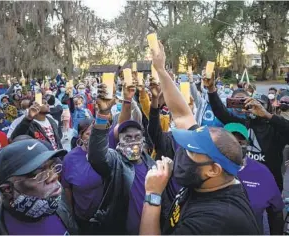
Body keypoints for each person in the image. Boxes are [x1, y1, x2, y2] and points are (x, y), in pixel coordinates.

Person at [139, 41, 260, 235]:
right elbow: (182, 115)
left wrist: (153, 195)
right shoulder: (217, 177)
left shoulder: (213, 220)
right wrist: (161, 70)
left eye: (191, 151)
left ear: (213, 170)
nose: (182, 153)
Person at [87, 82, 171, 234]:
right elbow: (96, 156)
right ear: (119, 141)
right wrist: (102, 116)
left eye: (137, 136)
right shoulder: (115, 162)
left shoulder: (152, 165)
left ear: (143, 140)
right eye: (127, 137)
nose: (133, 140)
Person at [205, 70, 289, 191]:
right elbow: (220, 112)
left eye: (260, 105)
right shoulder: (243, 124)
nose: (255, 108)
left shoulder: (275, 129)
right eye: (252, 105)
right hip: (245, 184)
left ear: (268, 108)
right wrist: (211, 90)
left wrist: (267, 116)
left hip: (270, 185)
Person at [0, 139, 78, 234]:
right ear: (7, 189)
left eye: (52, 167)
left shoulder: (55, 198)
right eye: (38, 175)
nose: (54, 176)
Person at [224, 123, 284, 234]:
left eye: (240, 142)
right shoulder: (208, 168)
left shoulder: (262, 172)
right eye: (230, 142)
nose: (236, 146)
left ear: (247, 144)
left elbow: (276, 212)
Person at [62, 119, 104, 234]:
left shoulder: (108, 154)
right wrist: (71, 213)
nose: (93, 138)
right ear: (80, 136)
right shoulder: (70, 159)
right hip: (83, 217)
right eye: (88, 134)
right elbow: (67, 188)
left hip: (106, 215)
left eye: (96, 134)